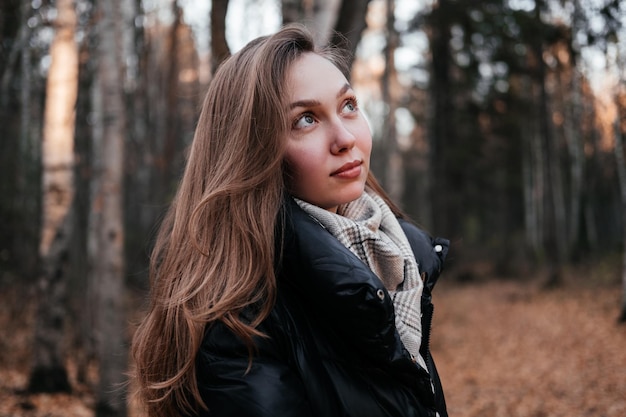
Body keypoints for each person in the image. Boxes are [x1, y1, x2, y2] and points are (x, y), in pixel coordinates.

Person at [130, 24, 449, 417]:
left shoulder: (394, 266)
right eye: (306, 120)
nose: (345, 138)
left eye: (348, 105)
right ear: (252, 153)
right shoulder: (238, 326)